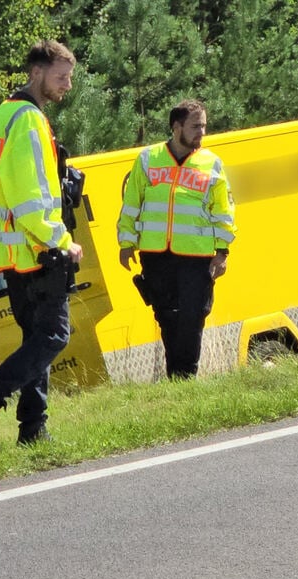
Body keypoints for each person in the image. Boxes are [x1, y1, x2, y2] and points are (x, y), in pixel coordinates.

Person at [0, 40, 83, 452]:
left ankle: (32, 428)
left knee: (36, 339)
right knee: (54, 336)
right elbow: (30, 195)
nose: (67, 86)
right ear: (37, 72)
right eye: (61, 77)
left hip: (15, 251)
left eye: (70, 78)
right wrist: (60, 240)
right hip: (35, 249)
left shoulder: (3, 115)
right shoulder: (28, 119)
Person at [117, 99, 236, 379]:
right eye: (196, 127)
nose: (201, 133)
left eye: (204, 127)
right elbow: (131, 203)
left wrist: (222, 251)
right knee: (167, 317)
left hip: (196, 257)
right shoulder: (148, 159)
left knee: (193, 317)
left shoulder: (212, 164)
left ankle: (187, 376)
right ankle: (176, 378)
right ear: (176, 126)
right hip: (156, 255)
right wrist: (126, 243)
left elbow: (224, 211)